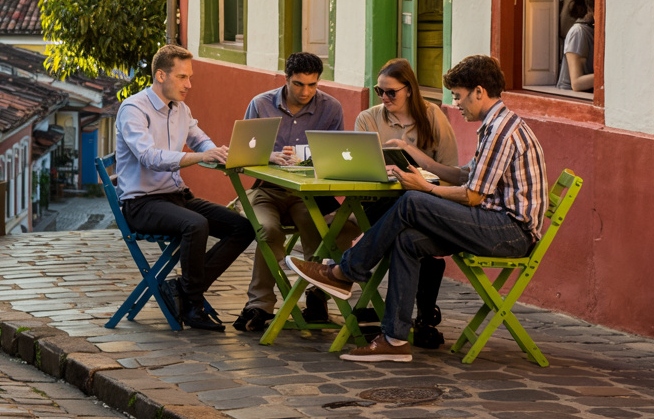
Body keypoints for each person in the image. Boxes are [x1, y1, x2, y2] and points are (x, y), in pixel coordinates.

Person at [288, 54, 548, 363]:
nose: (457, 103)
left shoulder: (501, 131)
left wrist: (425, 187)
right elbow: (464, 175)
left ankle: (345, 271)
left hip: (507, 232)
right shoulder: (495, 126)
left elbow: (474, 196)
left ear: (479, 92)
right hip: (491, 223)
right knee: (408, 240)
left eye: (459, 96)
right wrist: (413, 152)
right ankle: (395, 340)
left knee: (411, 200)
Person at [114, 44, 255, 331]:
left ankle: (180, 288)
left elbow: (201, 140)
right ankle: (192, 304)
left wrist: (221, 154)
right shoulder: (133, 109)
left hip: (176, 196)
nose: (189, 84)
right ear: (161, 76)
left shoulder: (181, 108)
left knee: (244, 227)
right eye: (182, 77)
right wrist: (200, 157)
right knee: (196, 225)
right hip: (141, 203)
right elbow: (149, 158)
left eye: (190, 77)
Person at [233, 51, 344, 333]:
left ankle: (316, 298)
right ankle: (260, 305)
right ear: (285, 79)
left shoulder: (331, 108)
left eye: (312, 85)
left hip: (306, 194)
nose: (306, 91)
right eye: (298, 84)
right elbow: (242, 155)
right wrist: (269, 156)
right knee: (268, 230)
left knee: (319, 230)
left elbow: (337, 158)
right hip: (266, 191)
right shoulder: (260, 104)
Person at [353, 58, 459, 348]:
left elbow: (451, 169)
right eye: (380, 91)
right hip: (378, 201)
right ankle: (422, 318)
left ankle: (350, 267)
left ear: (409, 89)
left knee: (411, 222)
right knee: (410, 235)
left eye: (391, 92)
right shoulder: (368, 119)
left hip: (427, 200)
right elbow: (358, 171)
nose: (384, 98)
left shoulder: (432, 116)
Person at [557, 0, 595, 92]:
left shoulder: (597, 31)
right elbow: (576, 83)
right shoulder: (578, 32)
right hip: (572, 99)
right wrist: (612, 77)